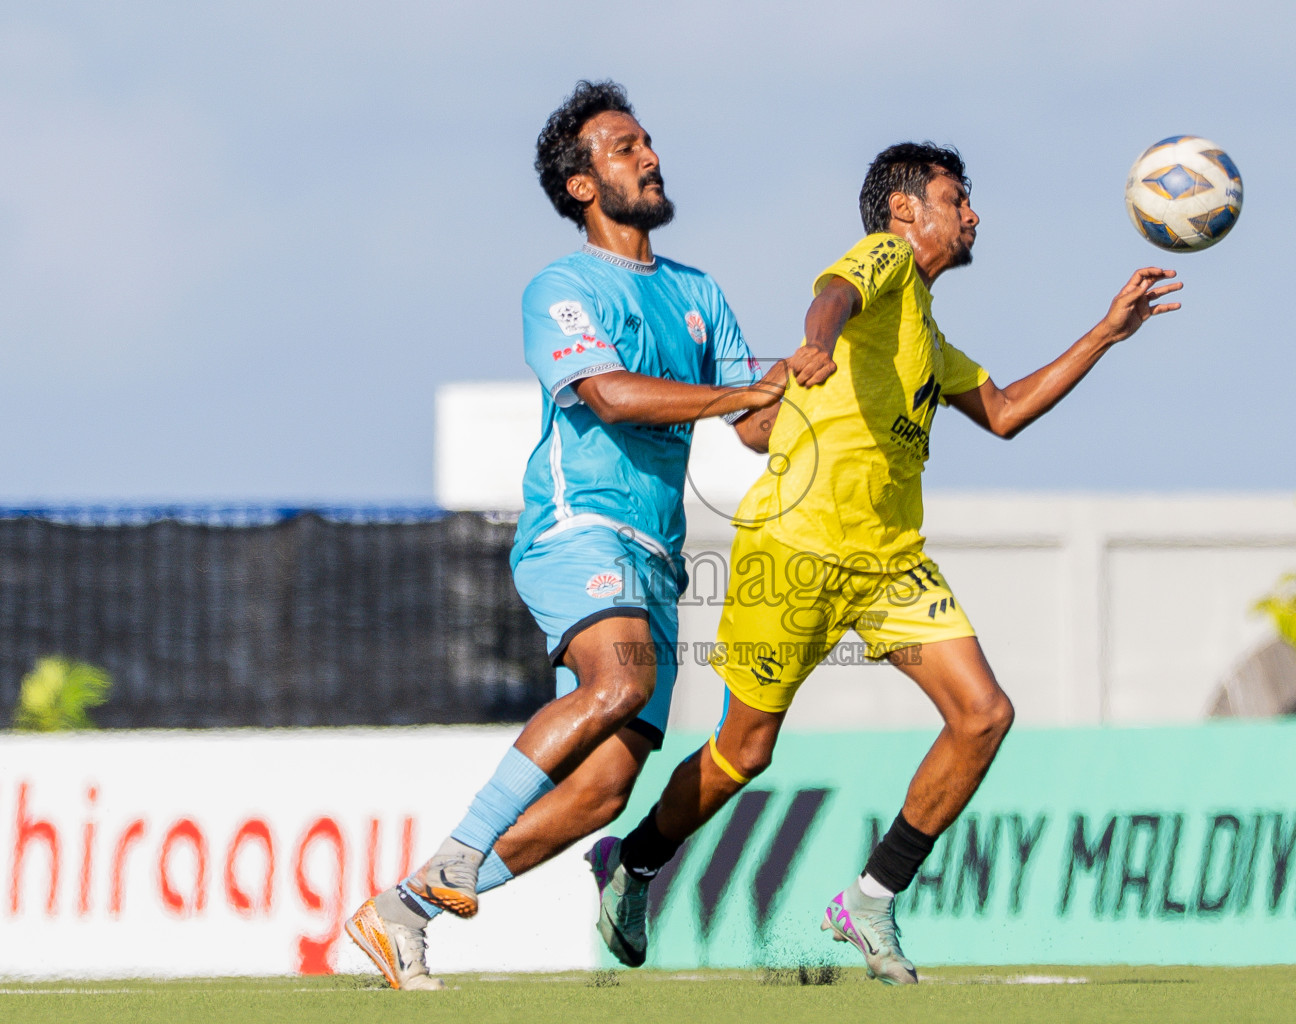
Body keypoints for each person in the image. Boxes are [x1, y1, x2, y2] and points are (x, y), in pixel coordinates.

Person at [589, 142, 1183, 983]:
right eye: (956, 197)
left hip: (890, 564)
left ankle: (870, 898)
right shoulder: (886, 261)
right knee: (744, 754)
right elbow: (833, 294)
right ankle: (637, 864)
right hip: (792, 555)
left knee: (983, 715)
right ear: (906, 211)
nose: (972, 213)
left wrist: (1108, 333)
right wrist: (817, 343)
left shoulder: (928, 337)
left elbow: (1006, 412)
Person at [345, 80, 785, 990]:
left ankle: (404, 911)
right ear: (582, 186)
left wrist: (813, 384)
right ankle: (465, 850)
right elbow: (609, 395)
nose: (650, 156)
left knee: (604, 791)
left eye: (648, 142)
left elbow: (754, 426)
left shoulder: (700, 292)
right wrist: (741, 394)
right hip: (579, 526)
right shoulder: (562, 287)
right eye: (625, 148)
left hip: (658, 555)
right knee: (619, 680)